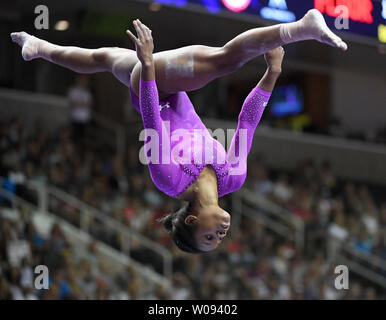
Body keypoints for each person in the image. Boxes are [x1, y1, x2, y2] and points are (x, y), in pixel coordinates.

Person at [10, 10, 347, 253]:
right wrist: (272, 74)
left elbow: (151, 119)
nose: (221, 235)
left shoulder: (169, 180)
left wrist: (147, 66)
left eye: (209, 237)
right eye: (219, 240)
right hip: (162, 82)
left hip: (151, 87)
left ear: (191, 222)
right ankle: (38, 46)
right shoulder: (233, 177)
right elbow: (246, 123)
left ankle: (301, 27)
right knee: (102, 57)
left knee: (225, 62)